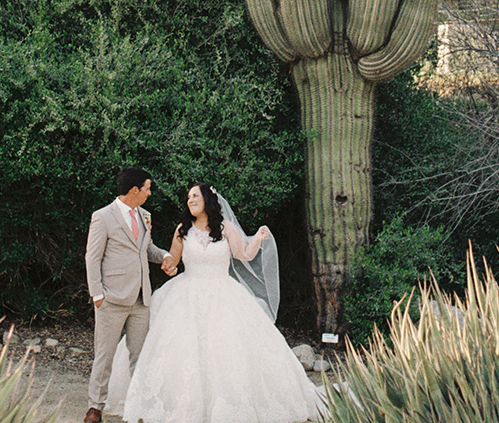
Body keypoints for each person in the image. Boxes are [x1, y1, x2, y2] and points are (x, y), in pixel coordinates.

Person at [106, 182, 322, 423]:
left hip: (223, 295)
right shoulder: (182, 229)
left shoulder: (225, 227)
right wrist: (166, 263)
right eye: (188, 197)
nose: (190, 200)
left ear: (208, 199)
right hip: (185, 296)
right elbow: (172, 262)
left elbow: (244, 254)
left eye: (195, 196)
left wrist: (259, 238)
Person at [83, 167, 176, 423]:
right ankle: (95, 408)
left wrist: (165, 256)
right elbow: (93, 257)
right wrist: (97, 295)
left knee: (140, 356)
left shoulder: (145, 216)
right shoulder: (103, 217)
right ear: (135, 190)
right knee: (105, 354)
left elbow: (145, 249)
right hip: (111, 299)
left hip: (141, 299)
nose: (149, 193)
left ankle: (138, 409)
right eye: (147, 188)